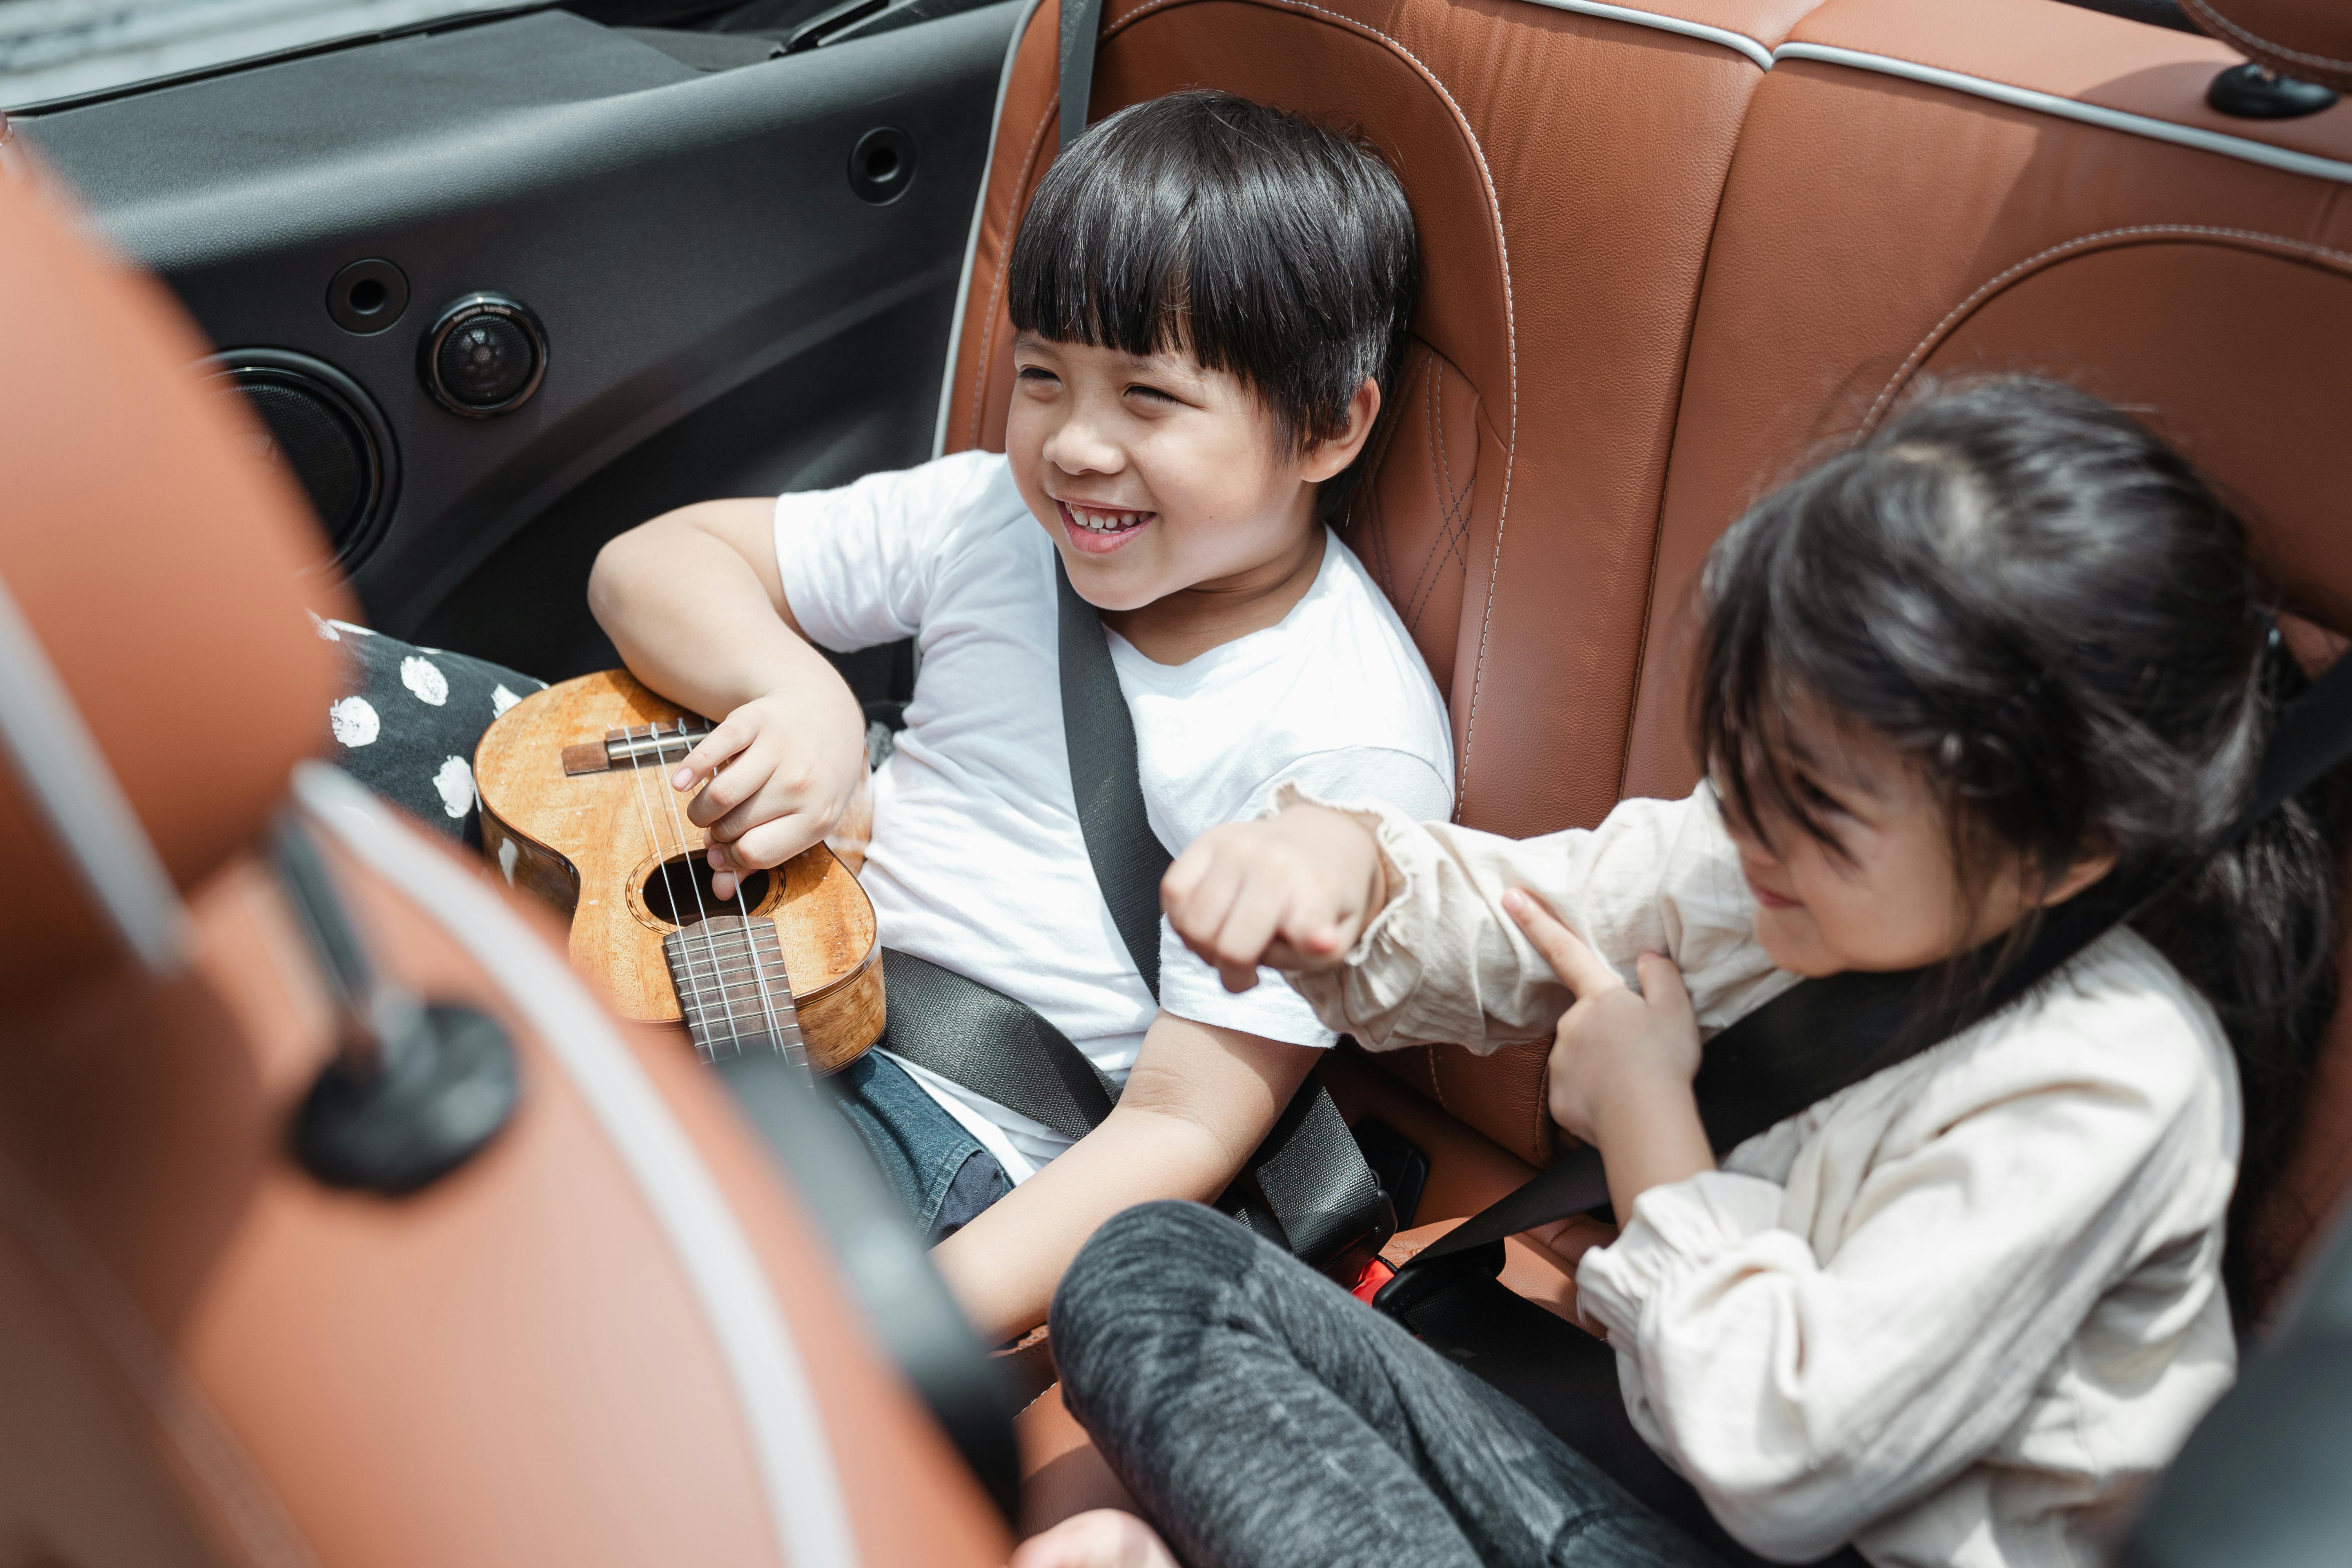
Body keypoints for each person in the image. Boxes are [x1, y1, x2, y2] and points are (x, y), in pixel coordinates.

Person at [1019, 378, 2341, 1568]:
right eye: (1740, 748)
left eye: (1817, 798)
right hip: (1639, 1463)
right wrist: (1346, 871)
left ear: (2069, 849)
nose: (1744, 815)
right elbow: (1523, 915)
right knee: (1148, 1273)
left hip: (1795, 1519)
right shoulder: (1753, 858)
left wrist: (1647, 1122)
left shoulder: (2109, 1080)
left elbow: (1789, 1463)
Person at [334, 90, 1450, 1344]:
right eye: (1041, 377)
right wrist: (794, 689)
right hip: (755, 948)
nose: (1076, 448)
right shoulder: (993, 521)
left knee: (568, 1266)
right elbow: (648, 565)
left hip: (942, 1128)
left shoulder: (1345, 742)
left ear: (1329, 424)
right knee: (321, 704)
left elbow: (1179, 1127)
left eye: (1149, 399)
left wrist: (898, 1334)